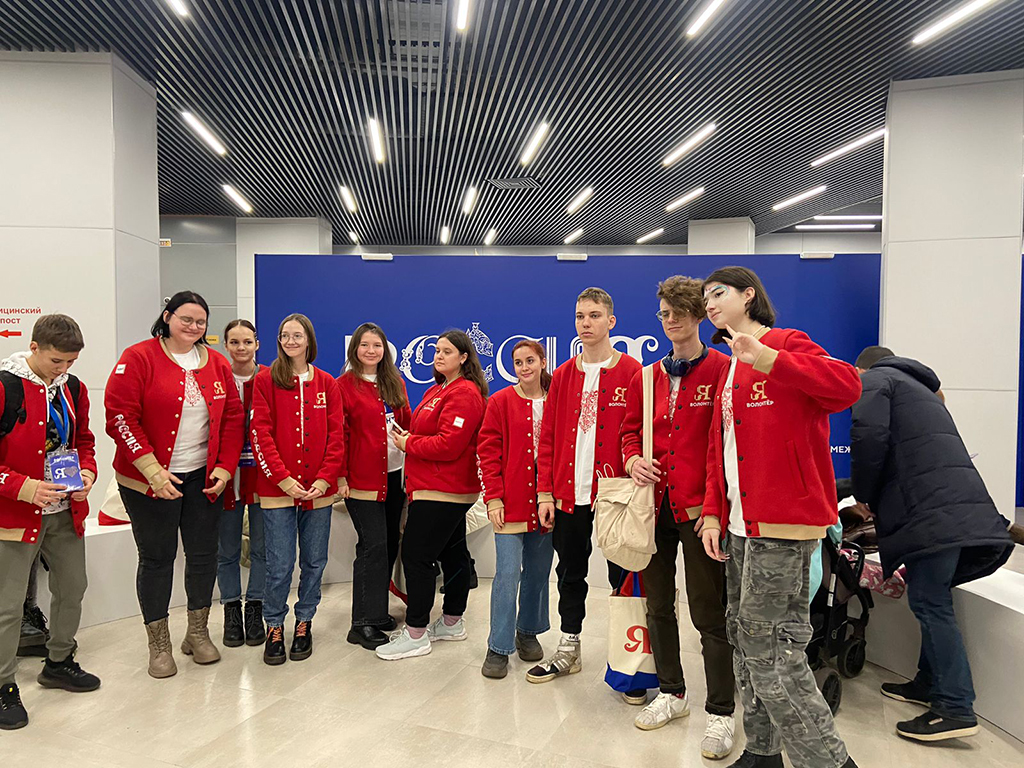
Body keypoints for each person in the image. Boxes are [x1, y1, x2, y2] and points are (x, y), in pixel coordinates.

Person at [698, 266, 860, 768]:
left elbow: (846, 386)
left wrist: (767, 357)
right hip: (739, 527)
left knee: (771, 649)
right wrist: (712, 514)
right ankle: (763, 751)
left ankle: (831, 762)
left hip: (784, 525)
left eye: (719, 292)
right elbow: (720, 450)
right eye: (705, 297)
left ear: (749, 295)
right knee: (743, 639)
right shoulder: (728, 366)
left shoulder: (785, 342)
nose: (709, 303)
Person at [850, 345, 1014, 743]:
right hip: (953, 510)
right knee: (932, 596)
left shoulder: (876, 380)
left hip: (929, 513)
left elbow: (869, 437)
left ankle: (955, 707)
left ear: (860, 369)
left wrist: (863, 494)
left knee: (930, 602)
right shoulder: (920, 389)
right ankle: (928, 683)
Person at [620, 276, 736, 758]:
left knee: (709, 612)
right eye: (664, 313)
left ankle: (722, 712)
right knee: (657, 605)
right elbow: (628, 432)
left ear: (698, 316)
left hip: (701, 510)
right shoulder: (645, 376)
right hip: (653, 508)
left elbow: (725, 446)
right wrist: (632, 459)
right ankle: (671, 692)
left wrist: (713, 512)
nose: (671, 321)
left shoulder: (724, 369)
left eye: (680, 313)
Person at [105, 291, 243, 679]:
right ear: (167, 317)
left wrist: (225, 468)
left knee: (203, 555)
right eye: (186, 319)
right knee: (157, 557)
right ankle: (159, 644)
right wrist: (152, 470)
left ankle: (197, 633)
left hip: (203, 477)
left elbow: (233, 418)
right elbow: (120, 417)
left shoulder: (217, 363)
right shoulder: (138, 358)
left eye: (201, 322)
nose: (194, 327)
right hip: (148, 480)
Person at [528, 287, 641, 684]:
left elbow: (640, 434)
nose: (585, 323)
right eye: (580, 316)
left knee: (622, 575)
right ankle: (569, 646)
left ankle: (628, 660)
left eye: (594, 315)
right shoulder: (562, 375)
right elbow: (547, 438)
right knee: (570, 573)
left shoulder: (633, 372)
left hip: (616, 495)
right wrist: (545, 492)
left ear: (611, 321)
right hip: (568, 494)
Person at [0, 314, 100, 730]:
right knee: (7, 606)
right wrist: (23, 488)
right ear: (34, 348)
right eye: (57, 361)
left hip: (64, 511)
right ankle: (3, 685)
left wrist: (88, 474)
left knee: (72, 588)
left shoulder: (73, 389)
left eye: (71, 362)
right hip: (15, 516)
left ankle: (59, 661)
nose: (64, 369)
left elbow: (84, 441)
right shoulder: (5, 386)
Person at [375, 330, 487, 661]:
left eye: (447, 351)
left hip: (445, 488)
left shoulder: (465, 393)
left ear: (463, 358)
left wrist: (408, 443)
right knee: (453, 555)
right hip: (431, 486)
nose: (438, 356)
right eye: (437, 350)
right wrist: (409, 436)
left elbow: (449, 444)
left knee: (416, 556)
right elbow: (431, 433)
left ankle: (416, 633)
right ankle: (451, 622)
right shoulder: (437, 389)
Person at [250, 313, 345, 665]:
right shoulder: (266, 380)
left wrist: (323, 479)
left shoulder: (327, 383)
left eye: (297, 335)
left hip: (318, 491)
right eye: (285, 335)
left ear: (309, 340)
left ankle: (304, 622)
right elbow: (260, 433)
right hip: (277, 490)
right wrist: (284, 479)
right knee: (279, 564)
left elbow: (337, 437)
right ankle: (274, 626)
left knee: (314, 561)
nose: (291, 341)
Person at [477, 340, 555, 679]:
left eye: (530, 361)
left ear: (542, 362)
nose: (524, 368)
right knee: (507, 575)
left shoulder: (556, 400)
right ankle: (498, 645)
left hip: (547, 503)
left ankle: (528, 631)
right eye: (518, 362)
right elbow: (487, 452)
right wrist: (493, 498)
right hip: (509, 503)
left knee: (538, 573)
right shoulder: (500, 402)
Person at [337, 323, 411, 649]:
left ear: (385, 350)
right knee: (373, 546)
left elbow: (406, 422)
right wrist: (340, 476)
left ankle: (377, 612)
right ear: (355, 348)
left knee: (390, 545)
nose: (371, 351)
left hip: (394, 476)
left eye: (377, 345)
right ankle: (361, 623)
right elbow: (338, 434)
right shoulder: (343, 386)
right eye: (365, 345)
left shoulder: (394, 381)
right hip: (361, 481)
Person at [217, 319, 266, 648]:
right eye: (234, 342)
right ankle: (231, 610)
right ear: (225, 345)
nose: (241, 348)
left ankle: (255, 608)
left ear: (257, 344)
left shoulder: (270, 378)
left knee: (262, 549)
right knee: (227, 550)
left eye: (247, 342)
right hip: (225, 477)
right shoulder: (216, 378)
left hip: (262, 476)